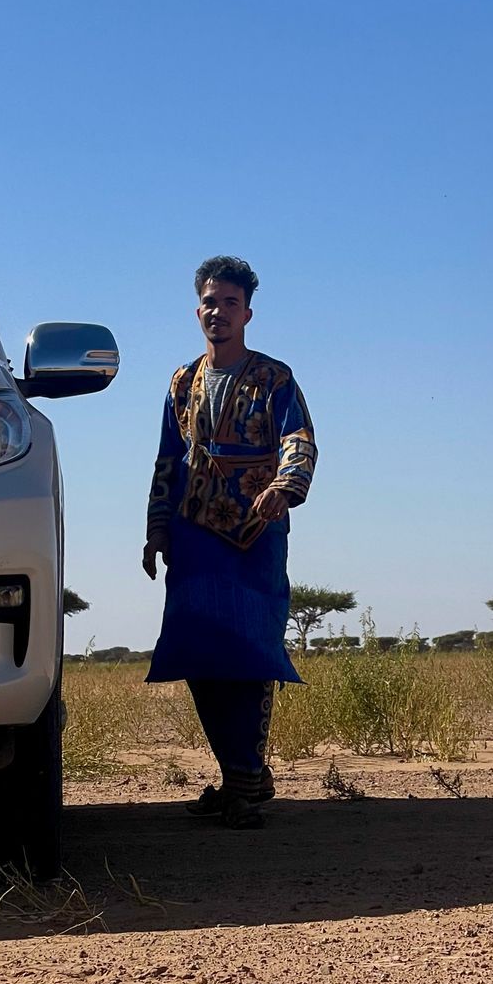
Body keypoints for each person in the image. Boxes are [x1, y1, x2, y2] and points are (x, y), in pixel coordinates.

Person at [143, 256, 316, 829]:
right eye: (210, 302)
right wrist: (157, 528)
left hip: (254, 532)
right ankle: (236, 773)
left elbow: (298, 438)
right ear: (199, 310)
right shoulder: (181, 381)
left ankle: (246, 776)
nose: (219, 312)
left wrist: (286, 488)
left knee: (249, 654)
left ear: (248, 312)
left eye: (230, 303)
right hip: (194, 537)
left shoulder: (274, 378)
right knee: (199, 654)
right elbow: (169, 459)